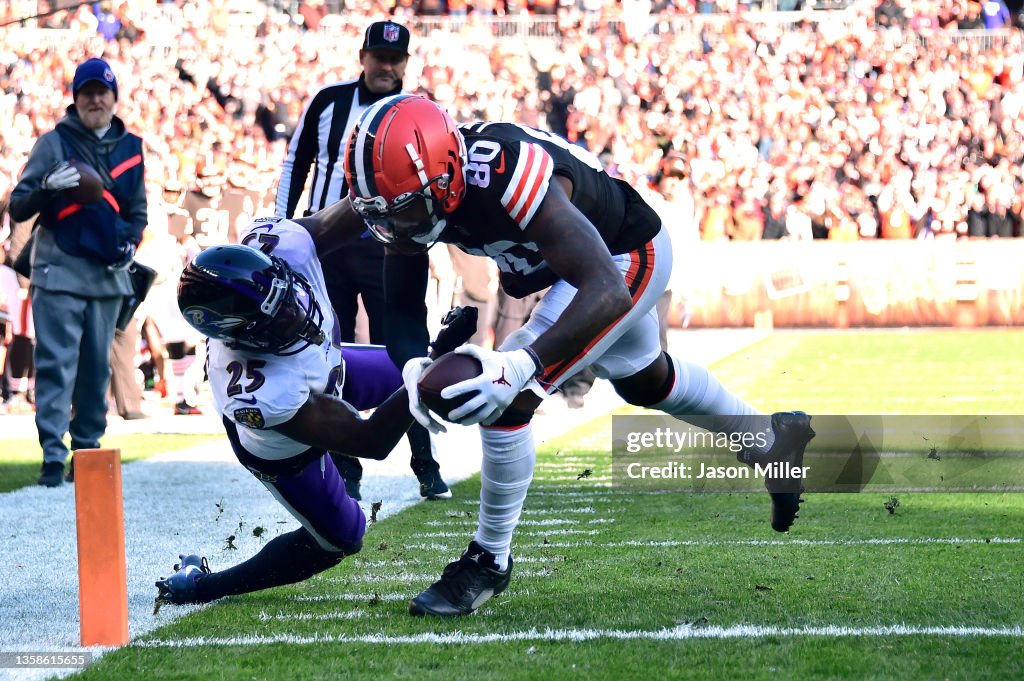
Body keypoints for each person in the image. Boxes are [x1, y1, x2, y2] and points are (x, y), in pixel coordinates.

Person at [331, 94, 814, 617]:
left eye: (405, 208)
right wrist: (412, 367)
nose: (397, 224)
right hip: (571, 267)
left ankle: (489, 560)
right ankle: (770, 440)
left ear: (447, 174)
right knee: (646, 382)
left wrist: (521, 366)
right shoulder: (409, 185)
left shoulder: (503, 174)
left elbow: (604, 287)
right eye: (385, 210)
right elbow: (401, 307)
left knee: (506, 393)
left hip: (619, 256)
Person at [154, 214, 475, 608]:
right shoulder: (261, 392)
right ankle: (202, 586)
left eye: (286, 296)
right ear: (242, 336)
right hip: (289, 449)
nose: (297, 313)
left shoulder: (282, 246)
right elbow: (370, 440)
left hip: (330, 370)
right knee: (344, 537)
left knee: (409, 366)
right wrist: (435, 358)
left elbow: (356, 210)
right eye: (279, 317)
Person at [275, 19, 449, 502]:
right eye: (379, 57)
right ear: (363, 56)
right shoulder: (328, 101)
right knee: (329, 349)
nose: (386, 66)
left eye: (395, 59)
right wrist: (281, 228)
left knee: (405, 345)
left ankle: (424, 460)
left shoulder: (419, 111)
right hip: (326, 245)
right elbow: (297, 162)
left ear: (406, 64)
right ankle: (344, 461)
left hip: (390, 241)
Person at [8, 57, 146, 486]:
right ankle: (52, 454)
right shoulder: (53, 143)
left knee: (95, 372)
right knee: (55, 365)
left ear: (114, 96)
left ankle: (86, 449)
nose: (95, 100)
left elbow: (138, 212)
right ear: (76, 98)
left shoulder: (131, 147)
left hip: (106, 275)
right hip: (59, 268)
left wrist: (130, 241)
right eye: (87, 93)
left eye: (102, 92)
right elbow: (18, 204)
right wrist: (45, 185)